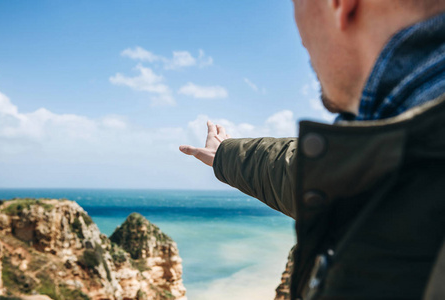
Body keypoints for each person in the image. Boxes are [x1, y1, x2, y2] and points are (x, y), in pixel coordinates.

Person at [180, 1, 445, 299]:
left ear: (339, 5)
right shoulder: (400, 147)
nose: (300, 36)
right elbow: (314, 173)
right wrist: (226, 155)